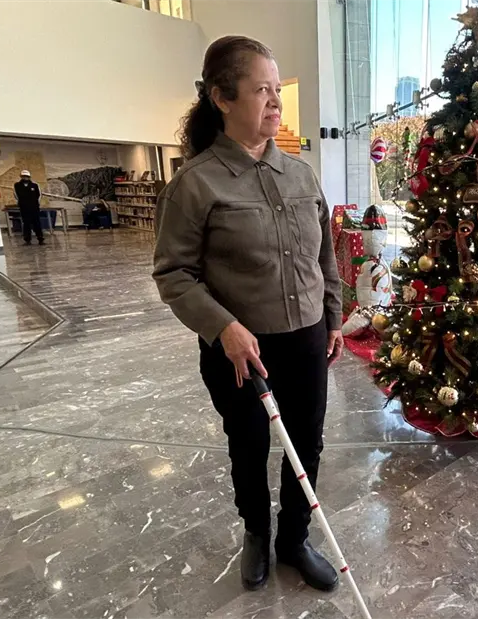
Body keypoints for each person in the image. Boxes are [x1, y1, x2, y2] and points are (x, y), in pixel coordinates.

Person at [152, 36, 344, 593]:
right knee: (250, 444)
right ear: (221, 97)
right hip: (240, 349)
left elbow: (323, 254)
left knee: (305, 442)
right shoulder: (195, 183)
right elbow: (172, 274)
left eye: (276, 90)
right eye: (261, 90)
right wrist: (223, 328)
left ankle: (294, 539)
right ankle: (257, 534)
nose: (274, 101)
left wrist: (332, 317)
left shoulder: (302, 175)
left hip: (306, 337)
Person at [14, 170, 44, 245]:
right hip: (24, 207)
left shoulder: (35, 185)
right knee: (26, 223)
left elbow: (39, 195)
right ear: (21, 176)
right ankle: (27, 239)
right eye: (24, 176)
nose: (25, 178)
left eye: (27, 176)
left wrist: (36, 204)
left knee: (37, 223)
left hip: (34, 207)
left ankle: (40, 238)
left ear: (29, 177)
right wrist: (22, 203)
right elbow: (16, 195)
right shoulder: (17, 185)